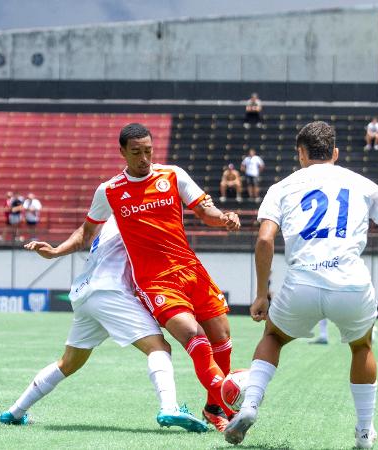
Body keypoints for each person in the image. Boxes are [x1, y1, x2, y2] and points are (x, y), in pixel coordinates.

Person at [224, 121, 378, 448]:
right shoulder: (361, 183)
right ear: (335, 153)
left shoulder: (281, 187)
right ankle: (364, 432)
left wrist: (261, 293)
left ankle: (249, 406)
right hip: (350, 285)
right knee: (361, 346)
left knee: (274, 337)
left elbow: (265, 240)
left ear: (301, 154)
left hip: (300, 284)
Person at [24, 123, 240, 433]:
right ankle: (227, 394)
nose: (144, 158)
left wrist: (225, 218)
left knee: (222, 339)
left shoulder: (173, 175)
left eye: (148, 151)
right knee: (193, 336)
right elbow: (86, 233)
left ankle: (214, 406)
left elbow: (206, 211)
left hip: (191, 270)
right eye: (136, 152)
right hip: (155, 280)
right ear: (122, 152)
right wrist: (57, 251)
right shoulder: (109, 190)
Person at [0, 216, 208, 433]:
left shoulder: (111, 221)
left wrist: (55, 251)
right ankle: (169, 408)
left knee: (68, 363)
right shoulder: (136, 214)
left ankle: (14, 412)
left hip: (85, 294)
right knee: (159, 347)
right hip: (111, 291)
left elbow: (85, 235)